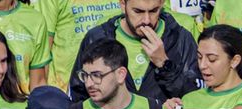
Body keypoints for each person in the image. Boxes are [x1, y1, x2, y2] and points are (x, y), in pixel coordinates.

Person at [67, 0, 202, 103]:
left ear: (162, 3)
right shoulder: (97, 37)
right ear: (122, 4)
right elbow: (79, 94)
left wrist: (164, 64)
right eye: (138, 11)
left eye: (154, 11)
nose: (146, 20)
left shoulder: (180, 38)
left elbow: (195, 97)